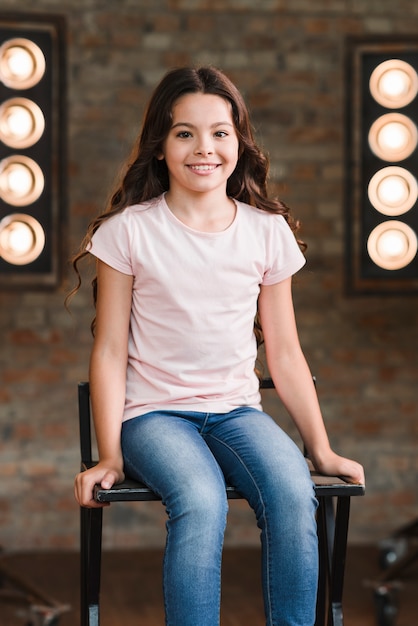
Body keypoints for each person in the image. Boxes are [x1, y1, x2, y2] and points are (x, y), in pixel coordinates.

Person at [71, 66, 364, 626]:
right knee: (201, 503)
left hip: (236, 412)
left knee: (292, 494)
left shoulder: (266, 232)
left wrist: (320, 449)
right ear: (159, 147)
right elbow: (109, 350)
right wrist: (110, 453)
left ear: (239, 142)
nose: (204, 148)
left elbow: (285, 352)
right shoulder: (128, 231)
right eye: (184, 133)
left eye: (220, 133)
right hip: (154, 417)